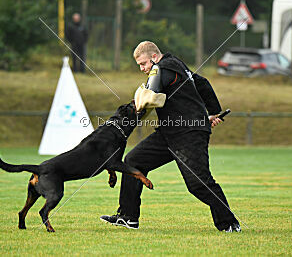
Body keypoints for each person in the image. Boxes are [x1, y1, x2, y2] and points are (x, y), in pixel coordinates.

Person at [100, 41, 241, 232]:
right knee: (134, 161)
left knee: (198, 183)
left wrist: (123, 119)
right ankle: (128, 217)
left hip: (189, 134)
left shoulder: (162, 68)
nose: (142, 69)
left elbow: (149, 97)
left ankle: (229, 224)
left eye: (143, 64)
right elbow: (203, 83)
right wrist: (213, 111)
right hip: (169, 132)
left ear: (154, 57)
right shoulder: (178, 67)